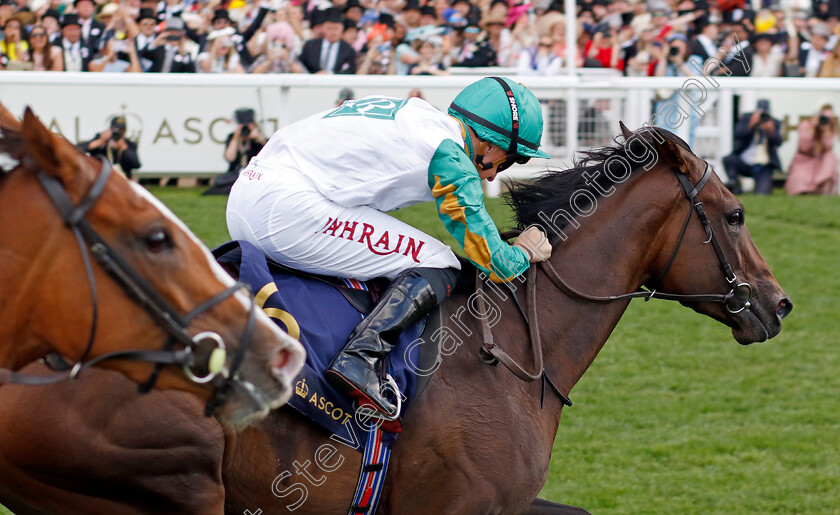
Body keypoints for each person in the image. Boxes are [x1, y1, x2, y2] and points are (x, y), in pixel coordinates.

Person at [226, 77, 553, 416]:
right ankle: (359, 357)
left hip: (249, 191)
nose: (494, 174)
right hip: (285, 209)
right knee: (438, 260)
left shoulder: (418, 114)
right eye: (509, 160)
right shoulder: (449, 155)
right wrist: (524, 252)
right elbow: (493, 260)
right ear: (488, 144)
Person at [723, 99, 783, 195]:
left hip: (764, 164)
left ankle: (763, 186)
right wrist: (751, 125)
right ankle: (736, 185)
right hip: (744, 161)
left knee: (762, 193)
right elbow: (738, 134)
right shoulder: (746, 118)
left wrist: (771, 131)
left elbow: (779, 142)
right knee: (729, 159)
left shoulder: (774, 122)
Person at [786, 104, 839, 195]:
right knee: (800, 181)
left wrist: (825, 132)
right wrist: (812, 129)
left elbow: (827, 148)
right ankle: (805, 191)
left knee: (830, 157)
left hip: (821, 161)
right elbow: (804, 147)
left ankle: (824, 191)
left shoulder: (828, 128)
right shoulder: (806, 125)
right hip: (804, 160)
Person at [299, 8, 356, 73]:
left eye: (336, 28)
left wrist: (331, 75)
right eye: (330, 28)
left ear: (341, 30)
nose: (333, 32)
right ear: (323, 29)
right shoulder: (310, 45)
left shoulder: (348, 49)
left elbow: (350, 70)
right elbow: (301, 64)